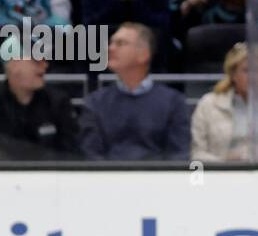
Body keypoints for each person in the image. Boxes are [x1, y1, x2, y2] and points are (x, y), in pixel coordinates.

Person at [79, 23, 189, 161]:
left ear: (143, 55)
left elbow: (179, 154)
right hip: (108, 180)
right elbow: (91, 154)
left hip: (158, 179)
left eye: (120, 43)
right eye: (111, 43)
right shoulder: (95, 103)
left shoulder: (173, 102)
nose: (110, 48)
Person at [0, 34, 80, 160]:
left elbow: (72, 155)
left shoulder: (58, 103)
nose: (45, 65)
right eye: (36, 60)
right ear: (13, 64)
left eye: (44, 59)